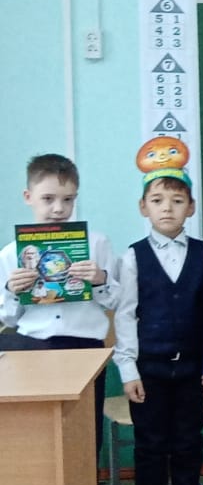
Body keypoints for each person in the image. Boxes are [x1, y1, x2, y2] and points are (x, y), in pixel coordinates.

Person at [112, 143, 203, 485]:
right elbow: (125, 315)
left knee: (188, 439)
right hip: (149, 369)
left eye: (177, 200)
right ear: (143, 207)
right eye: (157, 200)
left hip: (192, 368)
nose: (167, 208)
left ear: (191, 207)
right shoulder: (132, 258)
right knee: (151, 442)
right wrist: (128, 369)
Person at [0, 154, 118, 453]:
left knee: (85, 431)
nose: (58, 208)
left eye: (68, 199)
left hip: (85, 348)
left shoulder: (96, 243)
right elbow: (9, 319)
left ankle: (86, 482)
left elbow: (116, 300)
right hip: (32, 348)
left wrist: (100, 279)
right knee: (36, 433)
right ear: (28, 197)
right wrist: (12, 290)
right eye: (48, 198)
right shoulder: (11, 253)